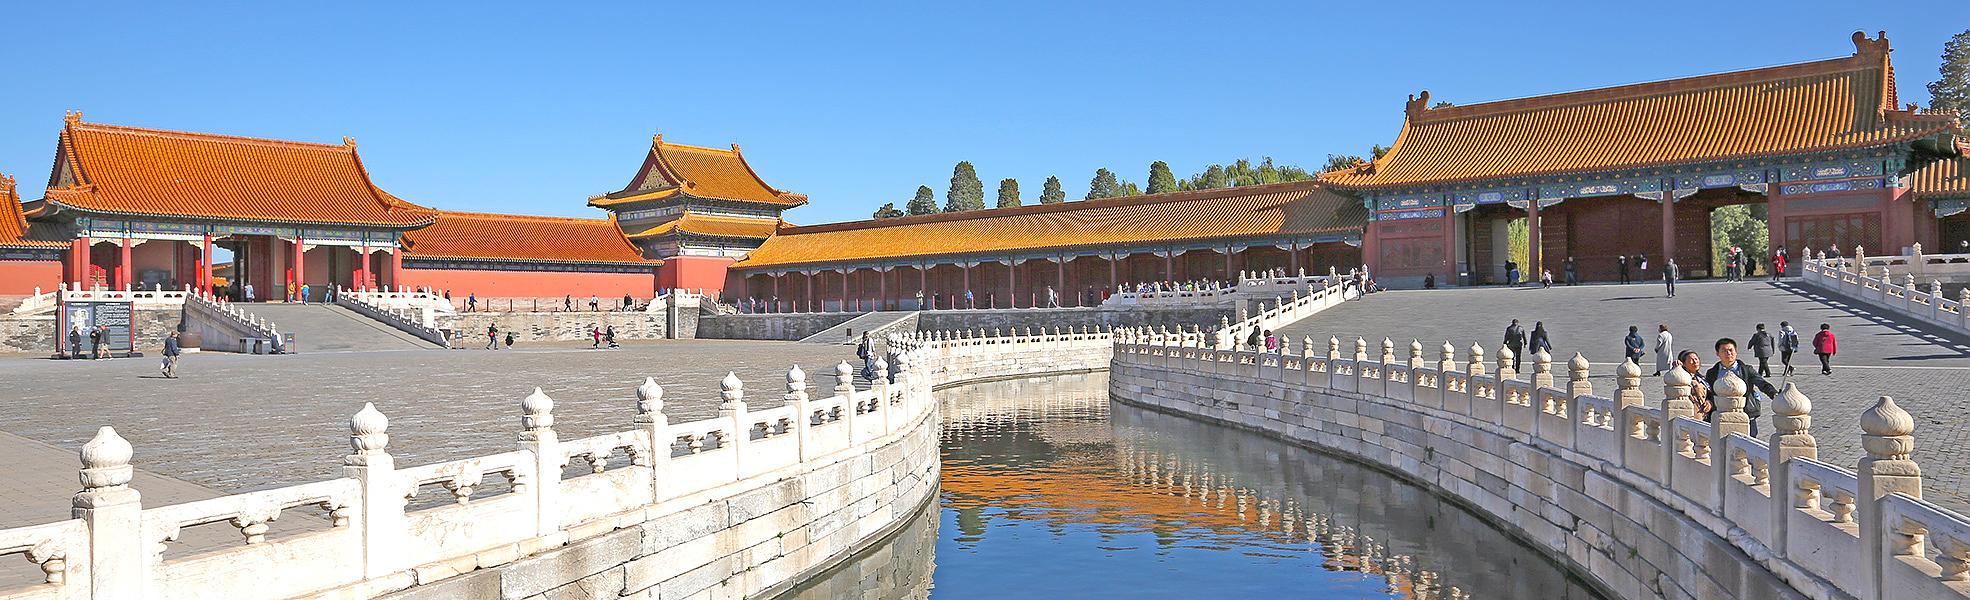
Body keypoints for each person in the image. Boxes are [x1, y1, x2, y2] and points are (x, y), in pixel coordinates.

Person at [1704, 337, 1780, 437]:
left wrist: (1773, 393)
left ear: (1736, 352)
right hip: (1721, 414)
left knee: (1749, 440)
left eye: (1731, 350)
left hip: (1746, 411)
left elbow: (1761, 382)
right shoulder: (1712, 372)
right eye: (1724, 351)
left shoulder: (1746, 370)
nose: (1728, 353)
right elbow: (1709, 392)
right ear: (1717, 354)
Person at [1678, 350, 1712, 420]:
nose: (1695, 361)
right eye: (1691, 360)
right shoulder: (1682, 378)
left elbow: (1710, 394)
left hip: (1704, 416)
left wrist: (1709, 403)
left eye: (1696, 359)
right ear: (1683, 364)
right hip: (1691, 415)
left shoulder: (1701, 378)